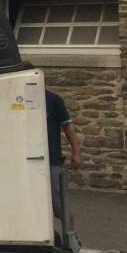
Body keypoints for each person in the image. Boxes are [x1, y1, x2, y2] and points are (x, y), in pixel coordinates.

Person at [46, 89, 82, 234]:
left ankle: (70, 237)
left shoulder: (53, 100)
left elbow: (68, 128)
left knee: (59, 205)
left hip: (52, 161)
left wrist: (76, 153)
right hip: (24, 163)